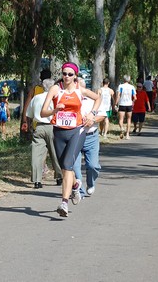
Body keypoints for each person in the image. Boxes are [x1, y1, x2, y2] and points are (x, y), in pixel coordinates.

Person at [40, 62, 100, 217]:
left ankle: (64, 203)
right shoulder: (55, 89)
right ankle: (75, 184)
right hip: (59, 131)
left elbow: (97, 98)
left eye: (70, 74)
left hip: (76, 131)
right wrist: (55, 110)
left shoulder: (80, 89)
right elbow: (42, 112)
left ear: (75, 76)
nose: (66, 77)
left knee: (67, 165)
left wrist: (92, 114)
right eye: (64, 74)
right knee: (63, 167)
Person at [72, 78, 106, 199]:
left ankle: (91, 183)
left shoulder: (92, 100)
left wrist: (92, 120)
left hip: (91, 136)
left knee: (92, 165)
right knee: (74, 166)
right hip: (75, 136)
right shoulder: (70, 100)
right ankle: (78, 191)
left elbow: (102, 115)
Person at [25, 78, 62, 189]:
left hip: (39, 127)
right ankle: (59, 176)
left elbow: (29, 114)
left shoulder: (36, 98)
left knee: (36, 154)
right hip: (52, 126)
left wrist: (29, 125)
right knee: (55, 153)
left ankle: (37, 180)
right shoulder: (56, 98)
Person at [21, 69, 52, 133]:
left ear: (40, 78)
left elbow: (26, 106)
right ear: (50, 78)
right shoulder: (54, 90)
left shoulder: (35, 90)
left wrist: (25, 121)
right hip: (51, 124)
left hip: (37, 125)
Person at [115, 75, 136, 140]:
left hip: (122, 104)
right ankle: (127, 135)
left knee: (121, 119)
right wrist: (132, 102)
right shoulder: (132, 87)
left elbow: (118, 95)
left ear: (123, 79)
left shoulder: (121, 86)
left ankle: (122, 128)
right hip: (129, 104)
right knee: (129, 119)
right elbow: (135, 97)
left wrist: (115, 103)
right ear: (129, 80)